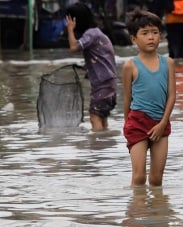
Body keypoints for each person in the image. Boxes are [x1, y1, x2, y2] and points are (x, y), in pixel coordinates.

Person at [122, 9, 176, 187]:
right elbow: (127, 99)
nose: (151, 37)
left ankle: (156, 213)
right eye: (144, 34)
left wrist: (162, 124)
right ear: (134, 39)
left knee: (156, 179)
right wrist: (126, 125)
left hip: (160, 121)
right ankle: (136, 211)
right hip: (137, 122)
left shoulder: (168, 63)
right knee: (139, 177)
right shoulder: (130, 65)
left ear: (161, 35)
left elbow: (172, 96)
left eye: (155, 33)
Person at [66, 2, 117, 131]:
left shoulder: (91, 34)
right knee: (102, 116)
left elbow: (74, 47)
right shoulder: (96, 33)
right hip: (109, 83)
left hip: (103, 85)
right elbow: (101, 58)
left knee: (94, 116)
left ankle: (97, 145)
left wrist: (70, 30)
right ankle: (104, 143)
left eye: (70, 19)